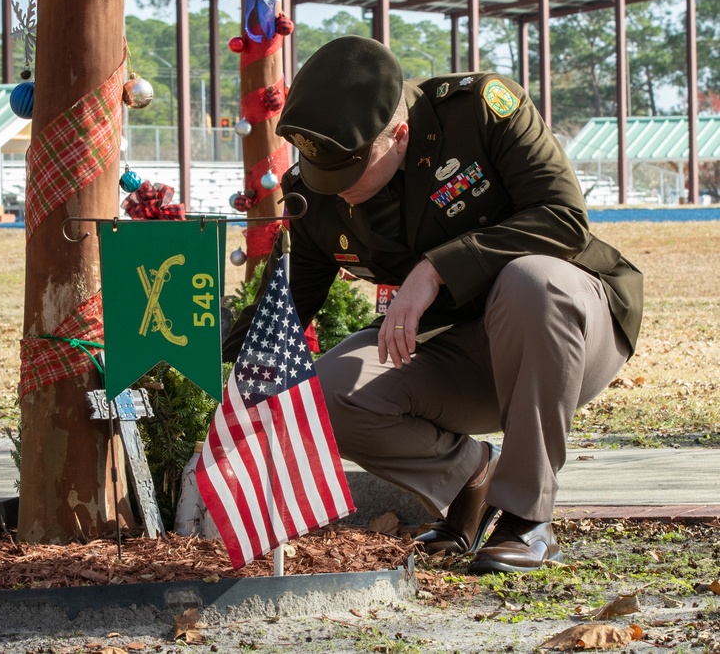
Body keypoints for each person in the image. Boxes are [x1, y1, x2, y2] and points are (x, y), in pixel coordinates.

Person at [221, 35, 643, 573]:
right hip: (462, 351)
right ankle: (471, 476)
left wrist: (438, 268)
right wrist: (211, 360)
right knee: (323, 397)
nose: (336, 189)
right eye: (322, 170)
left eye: (350, 171)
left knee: (529, 281)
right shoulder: (317, 192)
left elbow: (561, 218)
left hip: (570, 327)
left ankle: (526, 519)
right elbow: (287, 306)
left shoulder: (482, 111)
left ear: (399, 135)